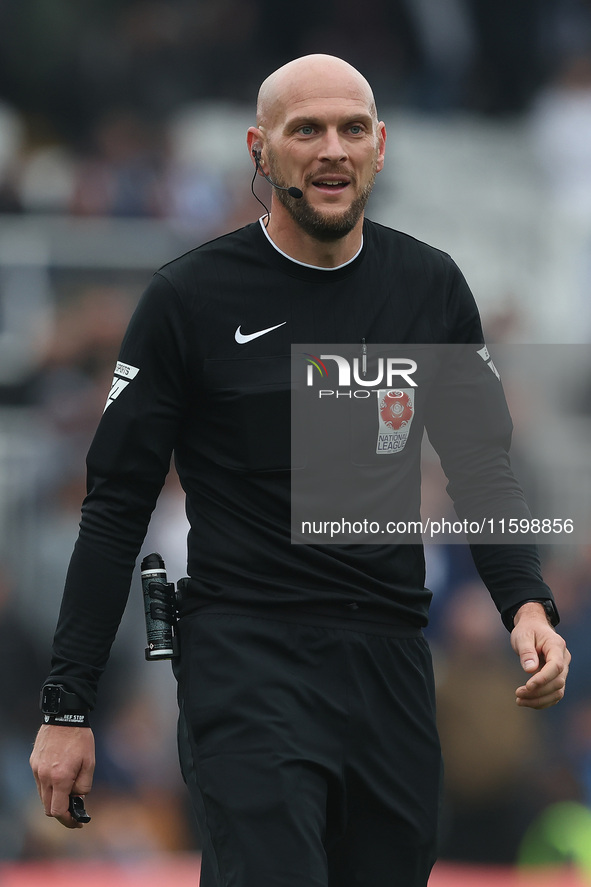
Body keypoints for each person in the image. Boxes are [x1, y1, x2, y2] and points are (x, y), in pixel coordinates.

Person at [30, 54, 570, 887]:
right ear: (259, 148)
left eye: (352, 128)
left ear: (380, 146)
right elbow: (114, 508)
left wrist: (523, 601)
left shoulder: (428, 286)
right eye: (305, 129)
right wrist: (68, 705)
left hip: (391, 661)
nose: (331, 148)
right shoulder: (189, 300)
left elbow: (479, 465)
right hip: (247, 659)